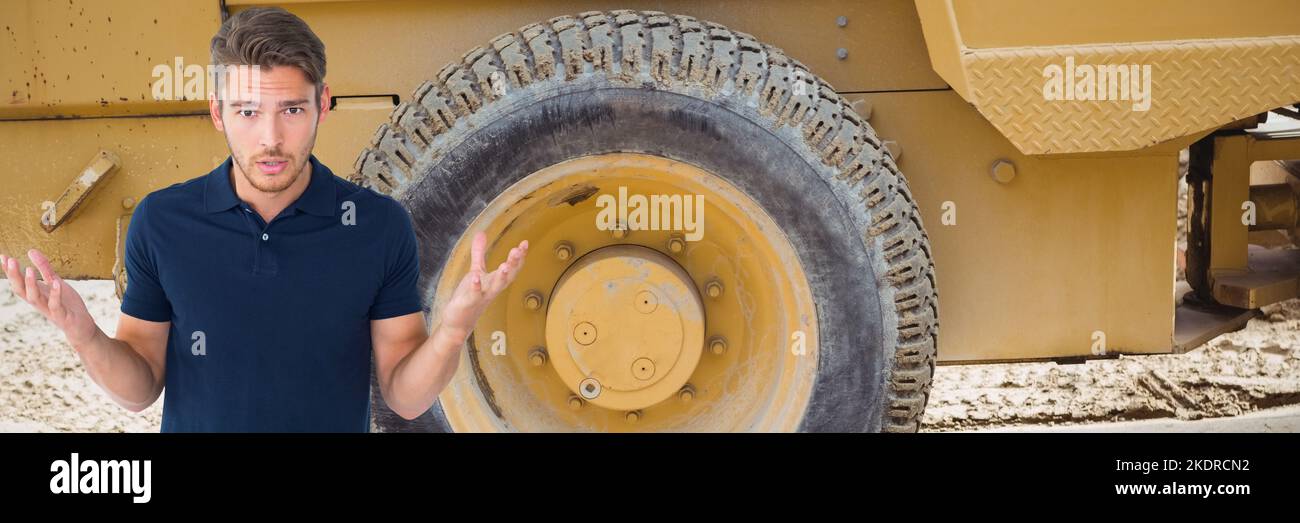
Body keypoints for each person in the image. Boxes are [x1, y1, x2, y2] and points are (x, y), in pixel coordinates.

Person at [0, 7, 528, 431]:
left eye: (291, 111)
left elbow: (405, 397)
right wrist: (85, 334)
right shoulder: (162, 222)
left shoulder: (377, 227)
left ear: (323, 105)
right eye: (248, 112)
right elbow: (140, 390)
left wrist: (453, 330)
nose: (270, 138)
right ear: (217, 113)